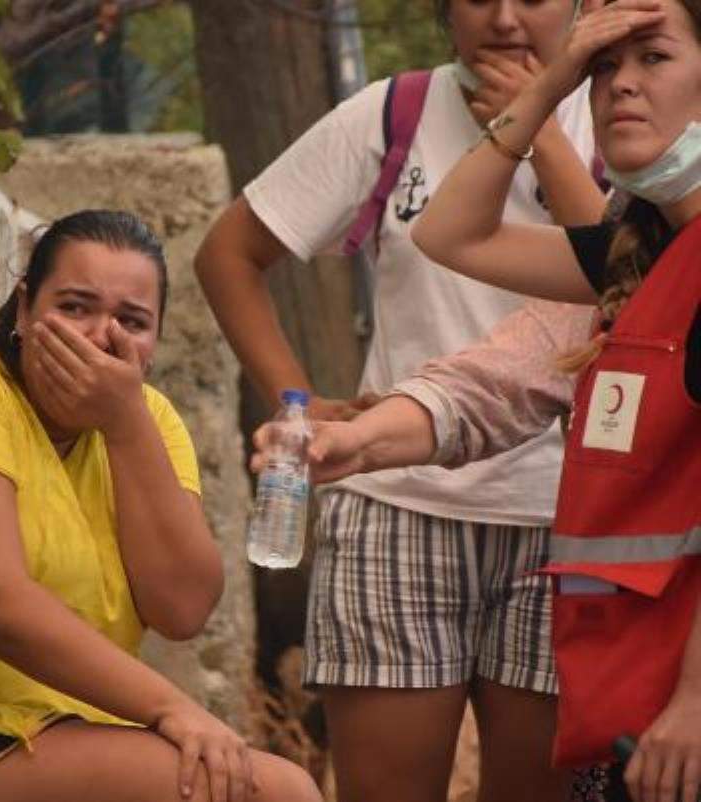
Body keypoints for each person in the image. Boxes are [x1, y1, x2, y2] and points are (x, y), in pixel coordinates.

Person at [194, 3, 606, 801]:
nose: (506, 17)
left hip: (565, 517)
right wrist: (300, 402)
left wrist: (541, 127)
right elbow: (229, 253)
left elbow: (621, 282)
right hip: (396, 504)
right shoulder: (394, 112)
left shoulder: (624, 119)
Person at [304, 2, 699, 799]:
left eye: (652, 59)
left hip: (681, 717)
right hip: (633, 699)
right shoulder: (638, 253)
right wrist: (552, 79)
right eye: (602, 68)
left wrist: (698, 699)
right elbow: (454, 241)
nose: (619, 85)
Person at [0, 210, 321, 802]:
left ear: (154, 342)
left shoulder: (147, 418)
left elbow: (182, 609)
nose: (102, 336)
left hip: (78, 727)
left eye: (132, 321)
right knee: (279, 793)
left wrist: (124, 422)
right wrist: (172, 708)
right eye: (75, 307)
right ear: (25, 309)